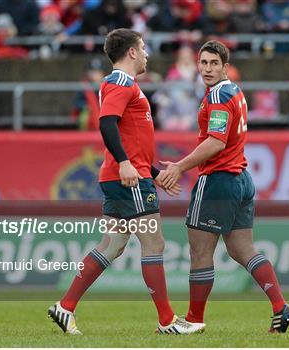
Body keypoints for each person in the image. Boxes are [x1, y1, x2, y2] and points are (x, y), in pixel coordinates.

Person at [47, 28, 205, 336]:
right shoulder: (121, 81)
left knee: (113, 243)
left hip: (126, 175)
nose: (146, 53)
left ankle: (65, 307)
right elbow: (106, 122)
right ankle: (167, 321)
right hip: (127, 178)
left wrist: (153, 174)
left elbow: (130, 138)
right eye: (143, 48)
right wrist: (125, 164)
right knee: (154, 242)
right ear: (131, 52)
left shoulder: (124, 84)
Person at [159, 40, 289, 333]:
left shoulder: (219, 95)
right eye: (203, 63)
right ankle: (280, 307)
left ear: (225, 66)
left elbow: (216, 141)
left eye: (213, 63)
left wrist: (179, 166)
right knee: (242, 249)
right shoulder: (233, 91)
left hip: (219, 180)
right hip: (241, 178)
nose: (207, 69)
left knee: (200, 251)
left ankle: (194, 319)